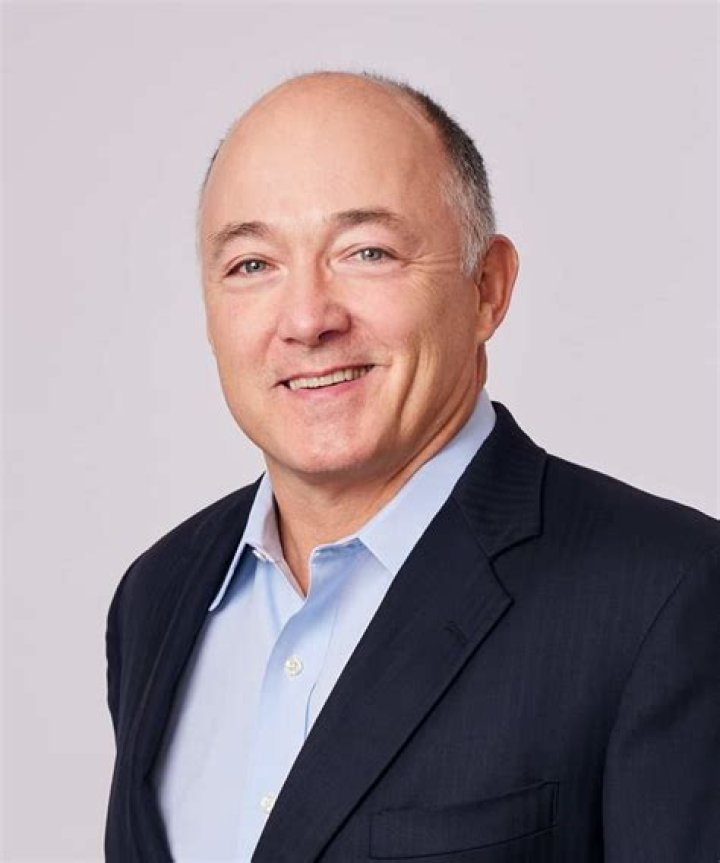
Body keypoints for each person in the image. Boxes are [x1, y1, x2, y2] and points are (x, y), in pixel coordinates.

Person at [104, 71, 719, 862]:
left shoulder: (667, 595)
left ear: (487, 288)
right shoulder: (156, 596)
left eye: (368, 252)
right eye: (252, 264)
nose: (307, 319)